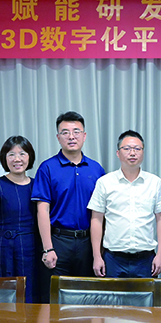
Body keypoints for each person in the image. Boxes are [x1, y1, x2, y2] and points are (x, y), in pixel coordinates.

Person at [32, 111, 105, 302]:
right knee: (53, 300)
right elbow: (42, 210)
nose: (71, 137)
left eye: (76, 131)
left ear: (84, 135)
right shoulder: (47, 168)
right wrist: (48, 248)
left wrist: (99, 252)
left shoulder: (96, 169)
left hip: (87, 243)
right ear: (58, 137)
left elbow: (101, 214)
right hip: (58, 242)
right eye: (65, 132)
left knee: (87, 300)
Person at [88, 130, 161, 279]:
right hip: (113, 259)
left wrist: (160, 255)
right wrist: (97, 256)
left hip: (146, 259)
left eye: (137, 149)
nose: (132, 153)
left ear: (143, 152)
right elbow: (96, 219)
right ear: (118, 153)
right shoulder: (105, 182)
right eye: (127, 148)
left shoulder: (155, 183)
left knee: (147, 295)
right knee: (113, 295)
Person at [0, 136, 39, 303]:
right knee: (2, 299)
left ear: (30, 156)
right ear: (4, 158)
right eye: (11, 154)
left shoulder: (37, 185)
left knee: (29, 297)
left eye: (22, 154)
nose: (17, 159)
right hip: (3, 250)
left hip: (31, 250)